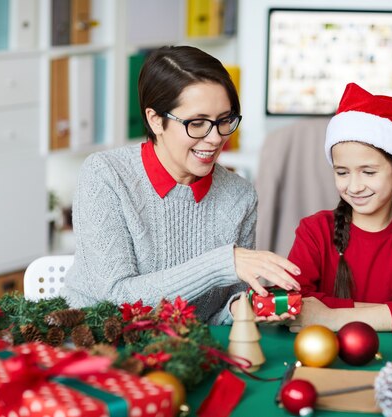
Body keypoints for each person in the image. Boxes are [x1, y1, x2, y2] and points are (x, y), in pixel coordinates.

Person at [61, 45, 300, 325]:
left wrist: (238, 310)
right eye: (197, 123)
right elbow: (116, 299)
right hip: (95, 340)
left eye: (224, 120)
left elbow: (217, 312)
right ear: (155, 120)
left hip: (185, 349)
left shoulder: (239, 196)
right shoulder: (106, 175)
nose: (214, 138)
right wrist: (222, 264)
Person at [287, 83, 392, 333]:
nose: (354, 186)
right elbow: (296, 304)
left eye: (368, 172)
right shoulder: (314, 231)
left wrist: (330, 317)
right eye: (342, 172)